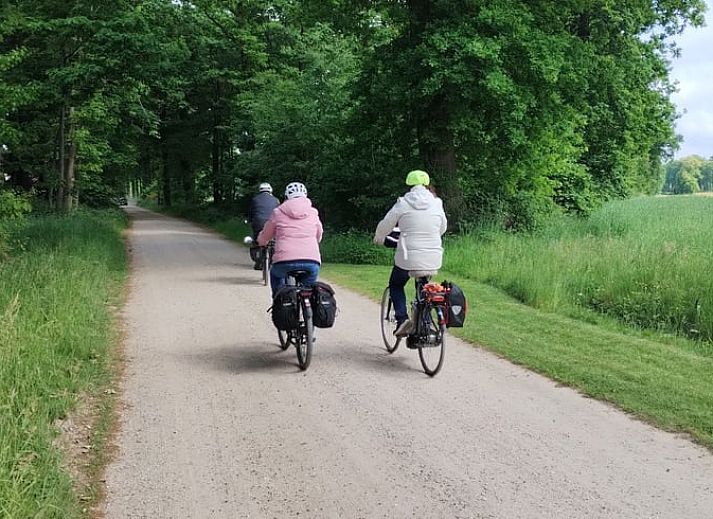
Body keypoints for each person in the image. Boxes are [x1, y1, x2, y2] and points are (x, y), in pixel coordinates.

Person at [373, 170, 447, 336]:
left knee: (396, 284)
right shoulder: (437, 203)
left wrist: (379, 238)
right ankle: (426, 324)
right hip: (433, 256)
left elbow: (386, 224)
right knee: (424, 287)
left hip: (408, 257)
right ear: (427, 185)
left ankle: (402, 319)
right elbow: (443, 228)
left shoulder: (403, 203)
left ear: (409, 185)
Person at [258, 182, 323, 297]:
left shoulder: (278, 212)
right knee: (309, 290)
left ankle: (279, 301)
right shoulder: (313, 212)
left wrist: (262, 242)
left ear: (286, 196)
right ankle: (309, 307)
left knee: (276, 275)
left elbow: (266, 235)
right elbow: (319, 234)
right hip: (311, 261)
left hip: (284, 262)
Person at [248, 182, 280, 269]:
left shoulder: (255, 199)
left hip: (258, 223)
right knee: (274, 239)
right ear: (270, 190)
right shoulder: (276, 200)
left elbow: (251, 212)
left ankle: (257, 257)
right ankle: (273, 256)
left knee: (256, 239)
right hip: (272, 222)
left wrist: (249, 220)